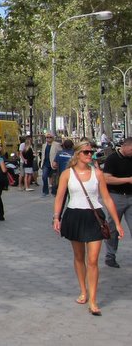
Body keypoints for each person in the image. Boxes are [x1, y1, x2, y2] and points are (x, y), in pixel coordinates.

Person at [53, 141, 124, 316]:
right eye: (86, 152)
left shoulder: (97, 173)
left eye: (91, 152)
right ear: (77, 154)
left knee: (92, 260)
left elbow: (107, 198)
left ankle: (93, 300)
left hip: (94, 217)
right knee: (79, 257)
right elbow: (60, 197)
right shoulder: (67, 174)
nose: (89, 154)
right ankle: (83, 291)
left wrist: (117, 223)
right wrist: (56, 217)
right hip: (74, 216)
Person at [102, 137, 132, 268]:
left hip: (131, 196)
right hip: (116, 196)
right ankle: (110, 255)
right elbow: (106, 179)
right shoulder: (112, 159)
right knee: (113, 227)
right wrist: (127, 180)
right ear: (125, 146)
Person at [40, 132, 61, 197]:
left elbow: (60, 153)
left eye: (50, 137)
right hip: (45, 164)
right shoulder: (44, 145)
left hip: (53, 164)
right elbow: (43, 154)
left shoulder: (57, 145)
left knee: (54, 179)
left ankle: (54, 192)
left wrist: (57, 162)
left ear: (53, 138)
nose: (48, 138)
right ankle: (45, 191)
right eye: (47, 137)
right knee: (44, 177)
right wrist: (41, 163)